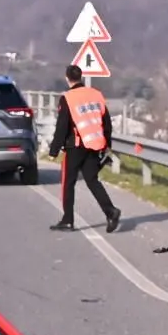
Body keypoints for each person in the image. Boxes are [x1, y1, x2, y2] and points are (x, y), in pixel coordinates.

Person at [50, 62, 122, 232]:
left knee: (68, 183)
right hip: (94, 145)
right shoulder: (96, 94)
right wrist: (107, 145)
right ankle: (111, 211)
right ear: (80, 76)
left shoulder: (67, 98)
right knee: (92, 180)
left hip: (75, 146)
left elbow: (62, 126)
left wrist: (54, 150)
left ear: (67, 78)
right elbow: (106, 123)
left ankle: (68, 220)